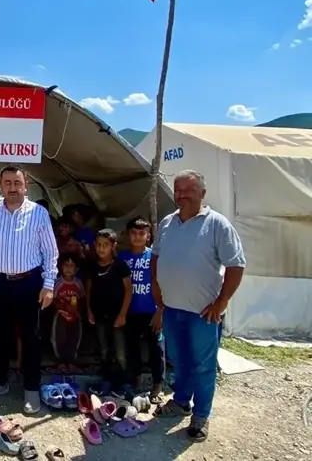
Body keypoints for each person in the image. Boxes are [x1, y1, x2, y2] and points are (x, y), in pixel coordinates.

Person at [152, 170, 245, 442]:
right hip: (172, 309)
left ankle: (201, 416)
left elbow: (236, 264)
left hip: (203, 314)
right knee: (180, 362)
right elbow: (156, 257)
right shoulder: (168, 222)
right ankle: (181, 401)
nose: (181, 195)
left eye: (188, 190)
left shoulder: (217, 224)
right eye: (177, 190)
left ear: (202, 193)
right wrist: (157, 289)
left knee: (203, 366)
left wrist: (222, 301)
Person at [0, 165, 59, 414]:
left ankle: (31, 387)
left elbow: (50, 252)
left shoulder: (39, 214)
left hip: (29, 283)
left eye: (17, 182)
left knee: (31, 337)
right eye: (7, 183)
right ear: (0, 186)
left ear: (26, 185)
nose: (12, 187)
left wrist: (49, 285)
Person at [118, 217, 165, 403]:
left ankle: (158, 384)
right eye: (133, 233)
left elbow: (163, 284)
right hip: (130, 312)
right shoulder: (122, 258)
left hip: (152, 312)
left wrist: (160, 311)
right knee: (133, 348)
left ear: (148, 236)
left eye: (141, 233)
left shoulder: (154, 257)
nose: (137, 237)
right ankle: (134, 379)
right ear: (128, 235)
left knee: (156, 349)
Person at [85, 228, 132, 395]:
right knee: (104, 349)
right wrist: (89, 310)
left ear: (113, 246)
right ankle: (105, 381)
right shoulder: (92, 266)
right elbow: (89, 290)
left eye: (105, 245)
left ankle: (121, 385)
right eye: (98, 245)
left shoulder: (120, 266)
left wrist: (122, 314)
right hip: (99, 314)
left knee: (120, 352)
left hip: (116, 315)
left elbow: (128, 290)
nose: (101, 248)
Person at [51, 253, 85, 371]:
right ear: (61, 267)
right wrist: (63, 306)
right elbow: (53, 299)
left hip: (75, 316)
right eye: (66, 265)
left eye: (72, 266)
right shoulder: (57, 282)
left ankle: (71, 361)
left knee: (74, 337)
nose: (69, 268)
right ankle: (60, 361)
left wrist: (76, 309)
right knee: (59, 337)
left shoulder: (78, 283)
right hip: (60, 315)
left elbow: (82, 298)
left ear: (76, 269)